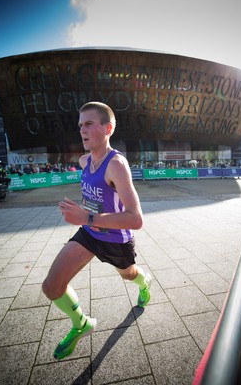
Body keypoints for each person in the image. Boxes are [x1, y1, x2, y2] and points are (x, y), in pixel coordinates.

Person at [42, 101, 151, 361]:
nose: (82, 129)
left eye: (89, 123)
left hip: (116, 240)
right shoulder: (84, 161)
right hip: (89, 234)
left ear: (108, 128)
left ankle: (143, 281)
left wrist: (86, 215)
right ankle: (81, 324)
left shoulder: (117, 165)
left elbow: (136, 220)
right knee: (51, 286)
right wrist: (86, 218)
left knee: (128, 275)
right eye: (80, 125)